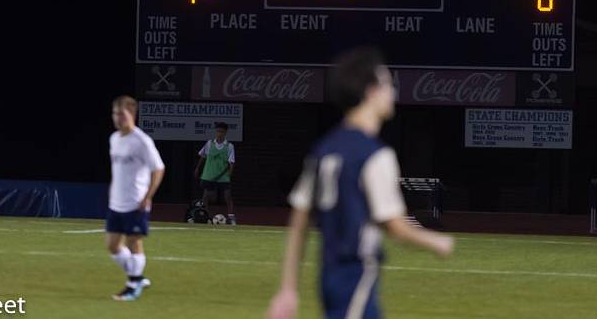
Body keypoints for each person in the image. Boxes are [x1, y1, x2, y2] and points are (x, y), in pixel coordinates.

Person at [266, 47, 453, 319]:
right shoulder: (375, 156)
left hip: (329, 277)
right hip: (355, 276)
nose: (394, 92)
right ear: (370, 91)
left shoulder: (323, 150)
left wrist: (288, 288)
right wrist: (437, 242)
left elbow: (299, 221)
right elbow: (396, 227)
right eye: (388, 84)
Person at [106, 95, 165, 301]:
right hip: (116, 203)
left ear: (132, 114)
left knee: (134, 242)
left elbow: (158, 169)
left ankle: (133, 284)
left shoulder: (142, 141)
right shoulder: (114, 139)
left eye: (121, 113)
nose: (117, 117)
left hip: (136, 202)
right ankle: (137, 277)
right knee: (112, 246)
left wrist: (148, 196)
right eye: (115, 113)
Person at [194, 121, 237, 225]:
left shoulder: (229, 146)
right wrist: (197, 169)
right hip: (209, 175)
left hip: (223, 177)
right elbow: (202, 156)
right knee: (206, 196)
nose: (219, 133)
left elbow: (231, 162)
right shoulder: (209, 143)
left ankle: (231, 217)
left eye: (222, 132)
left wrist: (230, 173)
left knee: (227, 196)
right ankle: (206, 216)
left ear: (225, 132)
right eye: (218, 131)